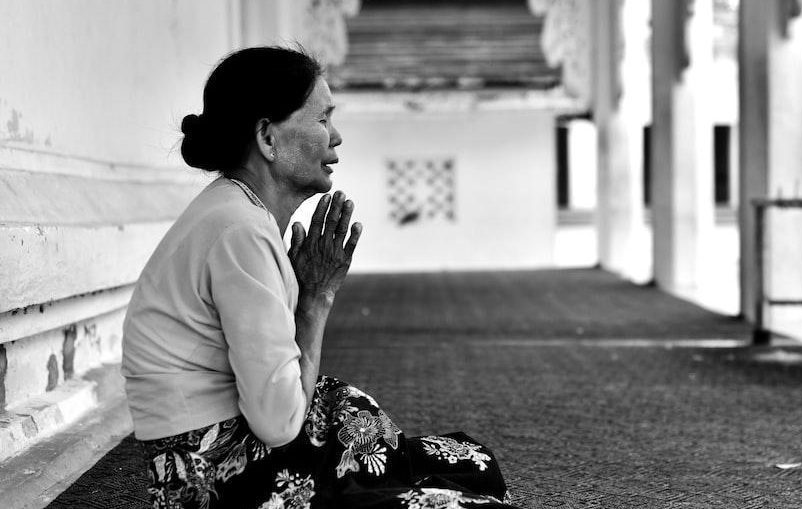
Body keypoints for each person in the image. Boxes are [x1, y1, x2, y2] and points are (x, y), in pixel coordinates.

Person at [121, 46, 517, 509]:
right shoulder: (239, 232)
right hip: (220, 479)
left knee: (472, 464)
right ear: (268, 137)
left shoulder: (239, 215)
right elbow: (278, 422)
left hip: (240, 449)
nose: (337, 137)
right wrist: (315, 300)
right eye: (323, 119)